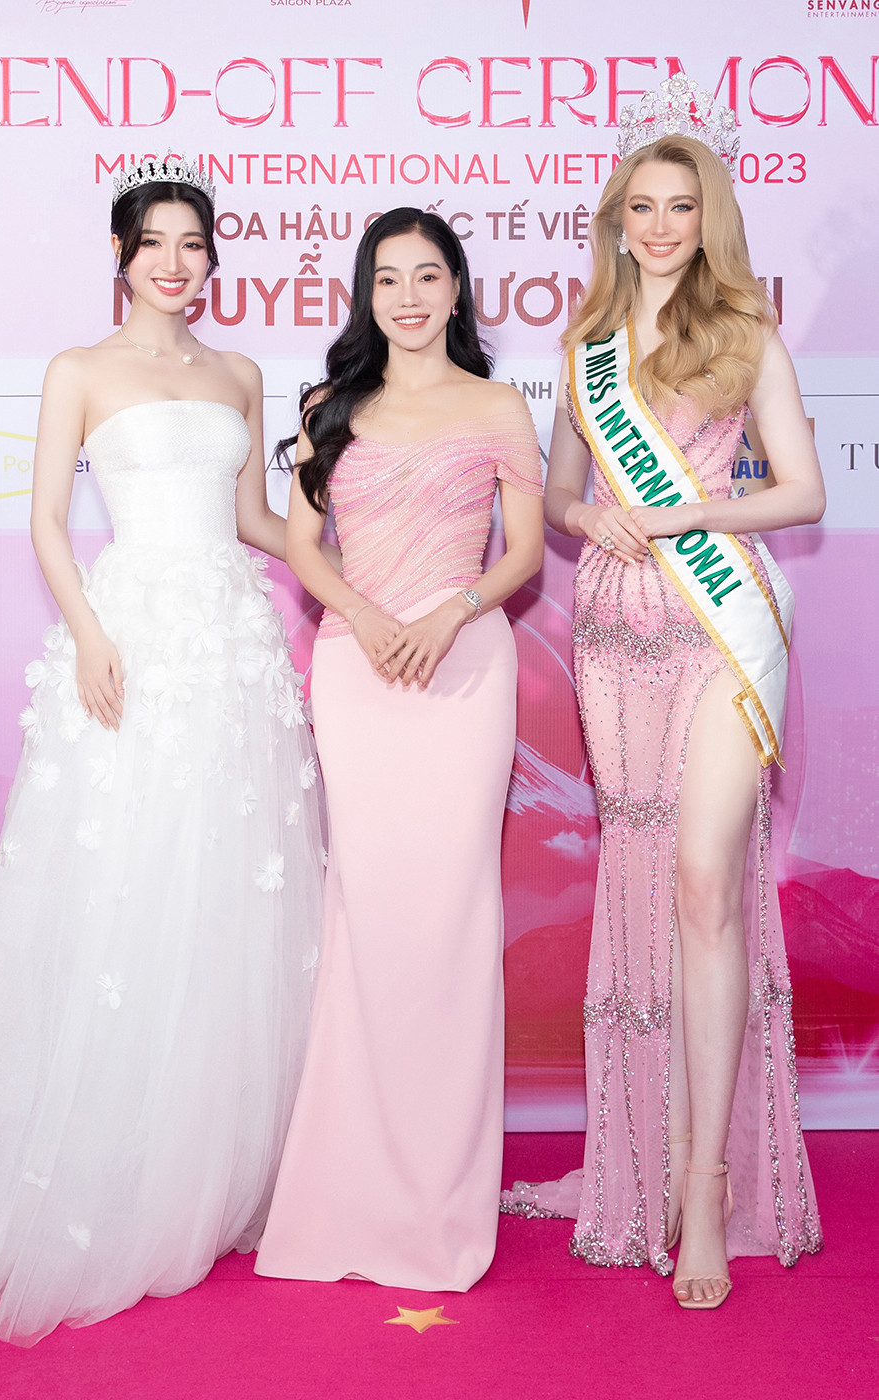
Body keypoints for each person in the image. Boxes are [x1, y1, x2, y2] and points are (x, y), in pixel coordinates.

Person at [0, 157, 324, 1345]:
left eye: (194, 244)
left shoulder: (239, 372)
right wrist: (89, 634)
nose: (177, 263)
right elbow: (43, 519)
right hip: (129, 640)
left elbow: (253, 520)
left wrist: (341, 547)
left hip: (232, 647)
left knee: (227, 895)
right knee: (125, 887)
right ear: (120, 255)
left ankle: (209, 1167)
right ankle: (109, 1168)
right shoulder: (79, 368)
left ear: (212, 257)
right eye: (156, 243)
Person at [500, 77, 824, 1308]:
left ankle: (704, 1183)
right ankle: (646, 1153)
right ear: (615, 219)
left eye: (681, 206)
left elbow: (804, 492)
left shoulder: (746, 334)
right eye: (641, 206)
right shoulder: (584, 345)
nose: (660, 225)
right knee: (647, 882)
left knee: (701, 883)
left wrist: (688, 511)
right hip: (616, 636)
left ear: (709, 217)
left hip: (720, 626)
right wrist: (591, 517)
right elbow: (561, 491)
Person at [254, 207, 545, 1292]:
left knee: (451, 918)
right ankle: (350, 1191)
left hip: (464, 668)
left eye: (428, 276)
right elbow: (302, 542)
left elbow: (524, 553)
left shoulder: (498, 405)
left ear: (458, 289)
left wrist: (450, 611)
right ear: (366, 294)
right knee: (368, 918)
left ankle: (438, 1202)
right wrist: (369, 618)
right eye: (388, 279)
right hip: (357, 669)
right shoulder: (329, 407)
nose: (409, 297)